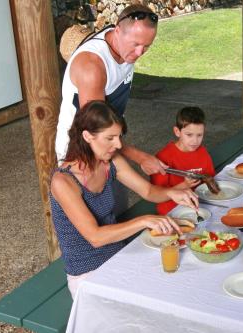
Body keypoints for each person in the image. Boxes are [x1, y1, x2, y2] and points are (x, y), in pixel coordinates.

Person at [50, 101, 199, 298]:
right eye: (110, 138)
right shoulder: (63, 181)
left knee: (182, 278)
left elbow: (147, 191)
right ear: (87, 136)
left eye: (119, 137)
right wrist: (144, 220)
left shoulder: (109, 162)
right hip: (88, 273)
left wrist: (173, 193)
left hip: (118, 255)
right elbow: (95, 237)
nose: (119, 145)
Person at [55, 4, 166, 216]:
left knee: (117, 211)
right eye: (136, 45)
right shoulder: (92, 68)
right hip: (80, 151)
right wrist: (140, 157)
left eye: (147, 46)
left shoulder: (124, 46)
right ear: (117, 31)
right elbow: (98, 131)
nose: (140, 52)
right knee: (95, 223)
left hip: (108, 144)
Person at [150, 106, 215, 214]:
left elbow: (210, 178)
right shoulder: (163, 157)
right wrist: (185, 185)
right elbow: (157, 194)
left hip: (200, 205)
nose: (195, 141)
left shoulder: (202, 151)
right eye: (189, 135)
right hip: (173, 210)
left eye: (199, 135)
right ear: (177, 131)